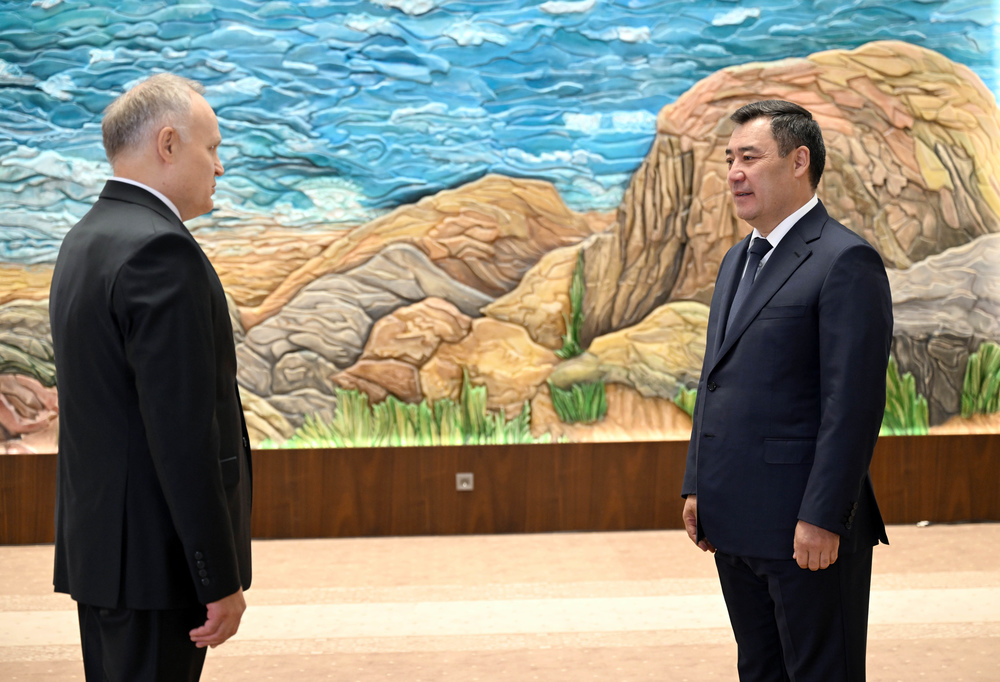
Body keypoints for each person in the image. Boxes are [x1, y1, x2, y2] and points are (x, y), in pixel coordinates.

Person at [49, 73, 252, 681]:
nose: (219, 166)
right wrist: (217, 577)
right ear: (168, 144)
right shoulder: (161, 251)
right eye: (211, 148)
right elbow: (182, 434)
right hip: (158, 565)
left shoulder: (84, 238)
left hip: (106, 556)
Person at [681, 100, 892, 681]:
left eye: (750, 158)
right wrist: (698, 484)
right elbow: (714, 379)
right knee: (760, 671)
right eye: (730, 159)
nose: (734, 173)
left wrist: (824, 516)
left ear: (799, 161)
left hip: (806, 528)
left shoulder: (846, 260)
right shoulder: (736, 260)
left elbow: (852, 406)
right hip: (734, 520)